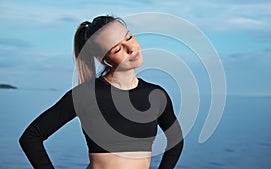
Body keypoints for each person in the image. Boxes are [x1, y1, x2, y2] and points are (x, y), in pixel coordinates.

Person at [19, 15, 184, 169]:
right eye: (117, 49)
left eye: (128, 37)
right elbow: (31, 138)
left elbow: (176, 141)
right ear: (103, 59)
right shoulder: (86, 96)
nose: (130, 49)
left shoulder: (156, 95)